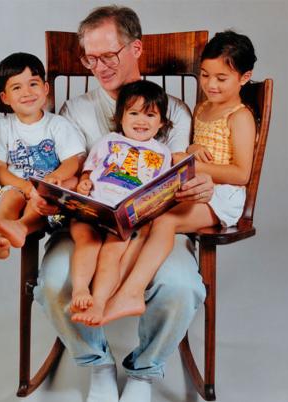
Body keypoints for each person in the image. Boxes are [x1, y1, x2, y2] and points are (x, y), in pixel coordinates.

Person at [32, 6, 214, 402]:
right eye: (90, 58)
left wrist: (198, 184)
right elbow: (71, 171)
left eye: (109, 55)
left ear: (136, 49)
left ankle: (145, 371)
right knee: (54, 283)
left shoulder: (174, 113)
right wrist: (54, 192)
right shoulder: (75, 110)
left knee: (181, 285)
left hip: (151, 231)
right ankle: (95, 363)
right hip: (87, 229)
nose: (99, 67)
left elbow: (179, 171)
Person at [101, 30, 258, 326]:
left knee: (165, 220)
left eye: (221, 78)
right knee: (146, 214)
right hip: (194, 186)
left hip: (223, 196)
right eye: (204, 75)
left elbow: (241, 173)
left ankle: (132, 291)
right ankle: (115, 287)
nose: (210, 85)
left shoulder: (240, 117)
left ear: (244, 77)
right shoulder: (203, 108)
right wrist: (193, 149)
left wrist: (191, 164)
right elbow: (198, 149)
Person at [69, 80, 173, 324]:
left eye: (150, 115)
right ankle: (80, 290)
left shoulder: (161, 153)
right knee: (87, 242)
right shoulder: (108, 141)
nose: (141, 121)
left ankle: (100, 303)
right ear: (120, 117)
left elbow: (160, 191)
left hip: (125, 218)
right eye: (133, 113)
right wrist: (84, 181)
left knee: (110, 255)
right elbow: (89, 169)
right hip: (93, 208)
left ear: (161, 123)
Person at [0, 52, 85, 259]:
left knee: (41, 197)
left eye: (33, 84)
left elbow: (72, 161)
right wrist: (25, 187)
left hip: (48, 194)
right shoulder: (1, 128)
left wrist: (54, 178)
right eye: (16, 87)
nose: (27, 92)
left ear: (45, 88)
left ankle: (21, 227)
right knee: (11, 196)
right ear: (5, 97)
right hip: (17, 186)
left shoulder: (58, 124)